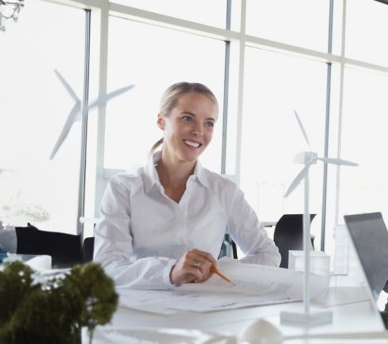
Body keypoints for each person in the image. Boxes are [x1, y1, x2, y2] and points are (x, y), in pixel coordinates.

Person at [94, 82, 279, 289]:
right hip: (143, 312)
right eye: (187, 118)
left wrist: (216, 272)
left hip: (206, 312)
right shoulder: (123, 188)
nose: (199, 131)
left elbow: (268, 254)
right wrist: (170, 272)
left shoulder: (225, 191)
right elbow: (106, 268)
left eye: (209, 123)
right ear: (161, 121)